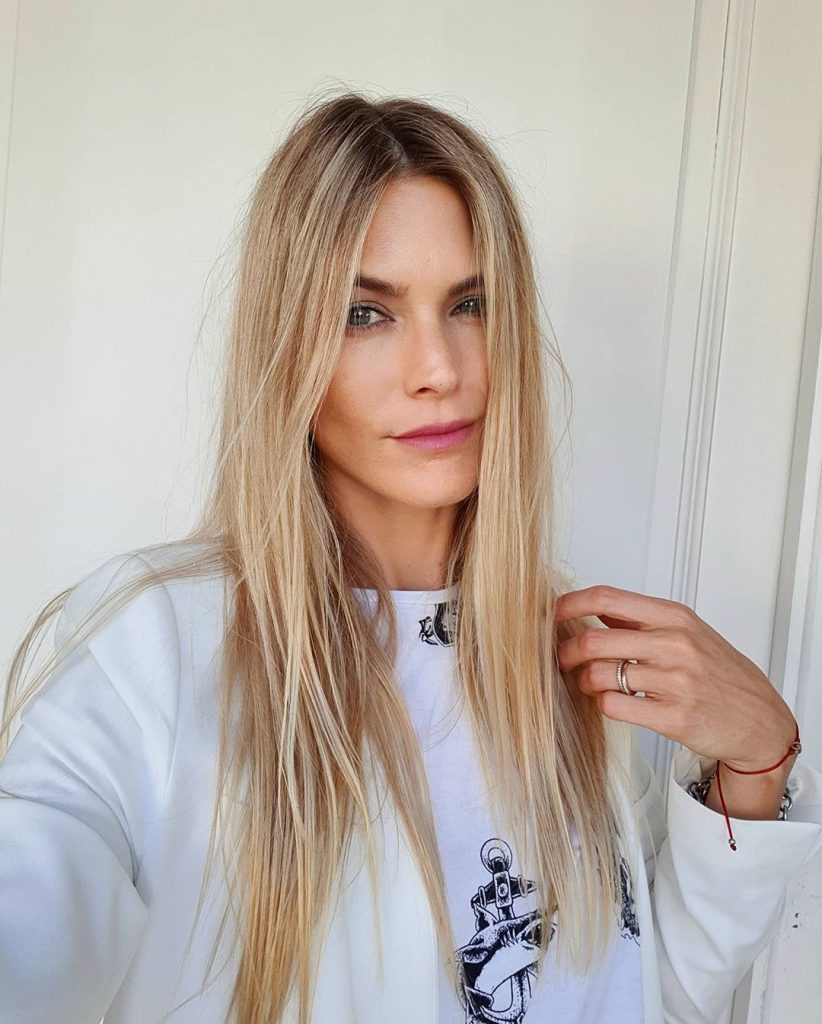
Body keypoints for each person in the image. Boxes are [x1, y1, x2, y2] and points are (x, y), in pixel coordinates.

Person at [1, 90, 821, 1024]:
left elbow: (632, 991)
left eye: (470, 304)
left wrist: (757, 761)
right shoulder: (156, 642)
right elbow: (34, 909)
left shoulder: (565, 652)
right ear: (287, 348)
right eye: (366, 313)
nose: (441, 369)